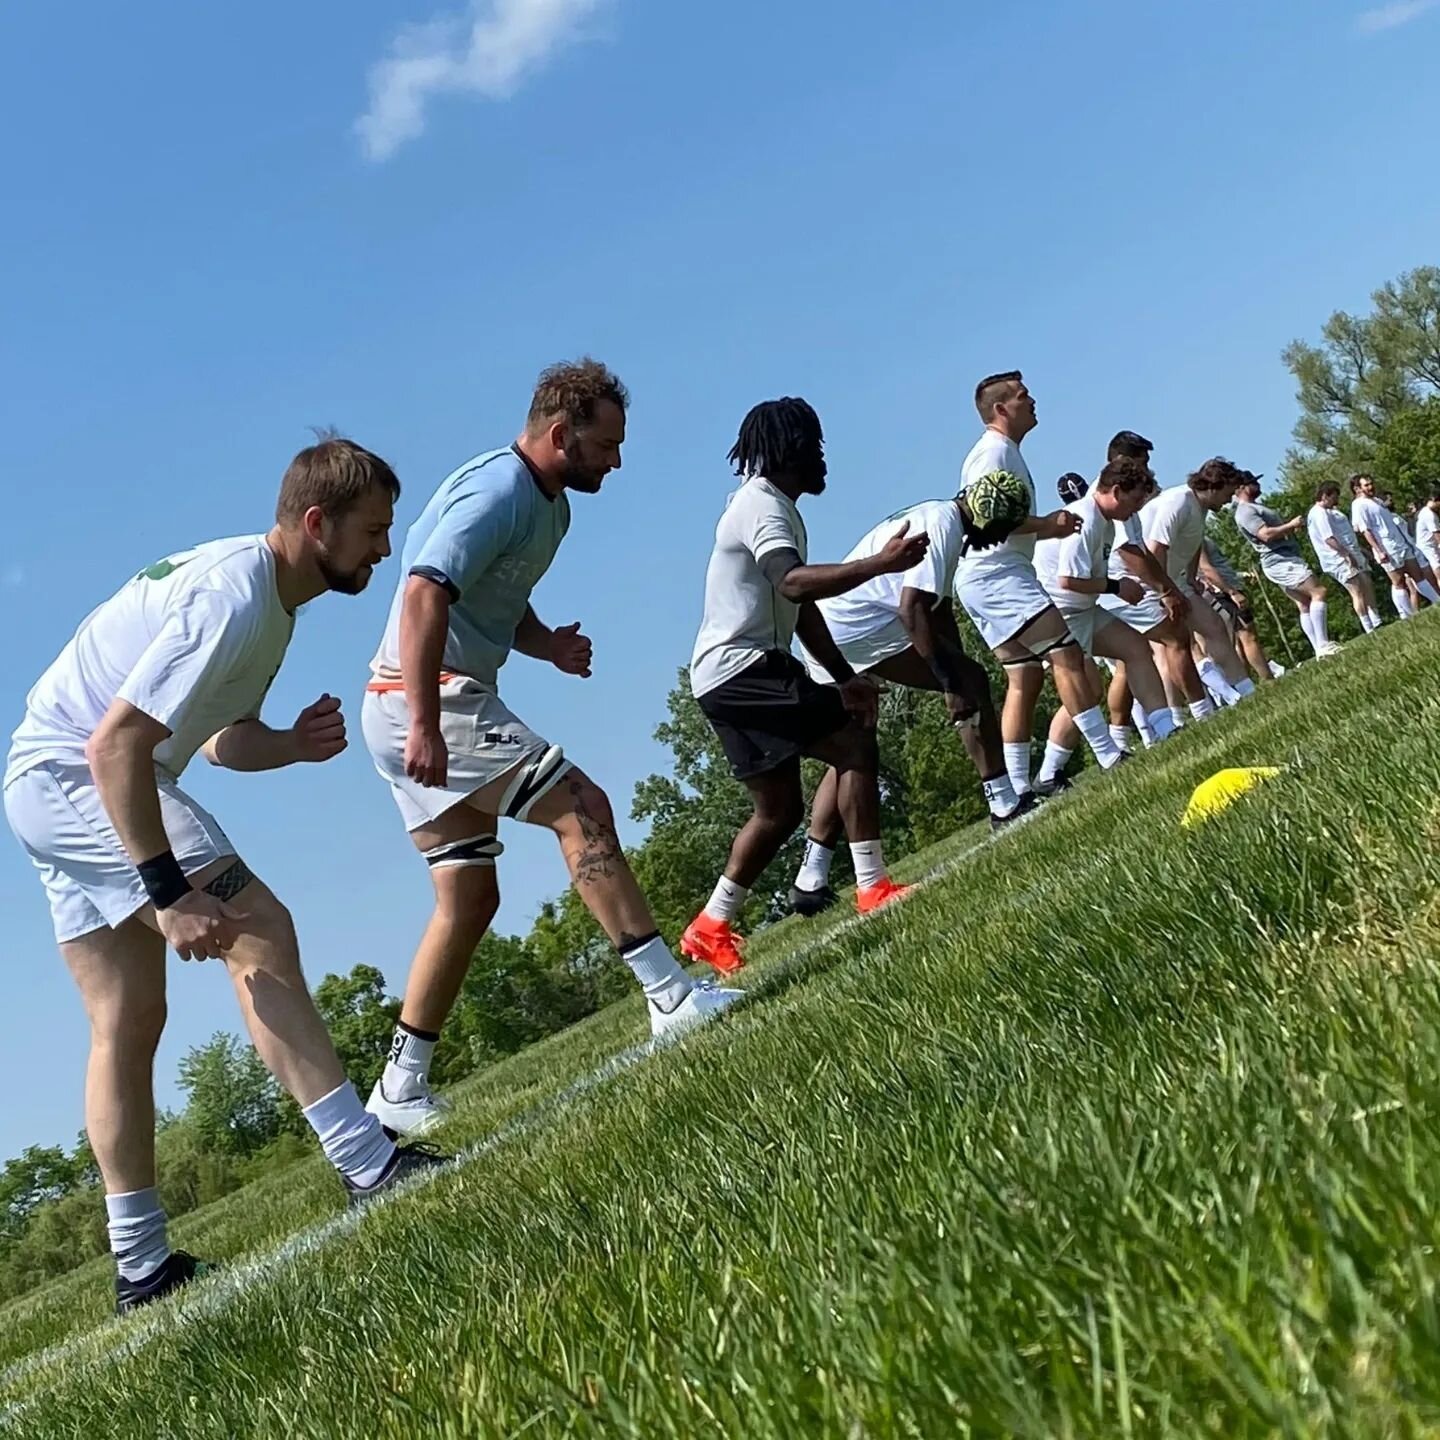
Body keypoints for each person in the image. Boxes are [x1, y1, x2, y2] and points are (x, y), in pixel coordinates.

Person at [3, 438, 445, 1314]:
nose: (384, 549)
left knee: (125, 1021)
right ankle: (368, 1162)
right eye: (373, 530)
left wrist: (289, 744)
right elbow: (117, 745)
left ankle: (141, 1266)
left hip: (42, 788)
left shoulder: (271, 606)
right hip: (80, 776)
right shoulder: (235, 593)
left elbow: (215, 738)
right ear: (316, 523)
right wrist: (168, 892)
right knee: (261, 931)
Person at [360, 360, 743, 1138]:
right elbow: (425, 591)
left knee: (469, 897)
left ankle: (401, 1083)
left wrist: (547, 645)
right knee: (584, 809)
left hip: (407, 700)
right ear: (562, 434)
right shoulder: (499, 489)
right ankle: (670, 998)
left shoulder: (549, 507)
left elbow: (491, 593)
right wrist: (429, 718)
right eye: (605, 445)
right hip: (425, 696)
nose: (617, 460)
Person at [683, 398, 928, 965]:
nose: (823, 459)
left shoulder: (770, 507)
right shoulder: (764, 509)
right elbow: (793, 584)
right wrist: (880, 566)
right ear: (791, 452)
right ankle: (874, 887)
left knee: (779, 811)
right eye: (815, 448)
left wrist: (845, 677)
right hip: (744, 666)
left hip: (723, 676)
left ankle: (710, 924)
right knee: (853, 742)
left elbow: (803, 606)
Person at [787, 473, 1036, 915]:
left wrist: (952, 667)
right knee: (972, 682)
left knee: (851, 748)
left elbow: (936, 612)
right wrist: (951, 682)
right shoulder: (945, 527)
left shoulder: (939, 515)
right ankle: (1002, 801)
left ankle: (811, 875)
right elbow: (912, 608)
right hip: (852, 633)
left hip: (829, 630)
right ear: (991, 521)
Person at [952, 372, 1127, 801]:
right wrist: (1048, 524)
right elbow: (982, 517)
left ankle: (1017, 787)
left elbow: (1000, 521)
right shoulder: (993, 453)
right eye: (1022, 396)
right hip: (996, 574)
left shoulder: (1004, 451)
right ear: (1000, 409)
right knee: (1067, 654)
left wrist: (1048, 529)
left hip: (985, 576)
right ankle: (1108, 755)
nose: (1032, 401)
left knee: (1024, 677)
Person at [1032, 456, 1180, 751]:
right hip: (1062, 613)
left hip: (1082, 607)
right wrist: (1117, 587)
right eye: (1135, 499)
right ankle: (1052, 771)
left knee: (1135, 649)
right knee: (1084, 693)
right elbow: (1067, 581)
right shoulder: (1084, 520)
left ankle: (1166, 729)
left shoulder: (1107, 520)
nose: (1137, 508)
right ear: (1115, 491)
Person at [1142, 458, 1258, 697]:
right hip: (1148, 583)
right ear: (1214, 486)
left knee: (1214, 626)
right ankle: (1205, 705)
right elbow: (1155, 550)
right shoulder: (1179, 502)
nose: (1229, 500)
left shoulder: (1201, 507)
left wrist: (1193, 577)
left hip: (1174, 579)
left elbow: (1193, 543)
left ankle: (1247, 691)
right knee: (1178, 644)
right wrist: (1164, 591)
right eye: (1227, 493)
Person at [1231, 475, 1341, 658]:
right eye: (1253, 482)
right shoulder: (1245, 511)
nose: (1257, 485)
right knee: (1318, 591)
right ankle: (1323, 645)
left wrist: (1288, 529)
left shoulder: (1252, 508)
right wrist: (1291, 524)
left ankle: (1319, 649)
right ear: (1242, 487)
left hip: (1282, 558)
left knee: (1304, 603)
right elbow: (1265, 534)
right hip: (1280, 559)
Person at [1350, 473, 1440, 617]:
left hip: (1400, 543)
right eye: (1366, 485)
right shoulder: (1359, 505)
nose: (1371, 487)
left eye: (1371, 483)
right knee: (1398, 582)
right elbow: (1365, 530)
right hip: (1387, 546)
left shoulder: (1377, 501)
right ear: (1358, 489)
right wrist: (1379, 550)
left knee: (1418, 575)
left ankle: (1437, 601)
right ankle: (1406, 615)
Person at [1307, 481, 1382, 634]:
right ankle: (1368, 626)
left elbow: (1343, 535)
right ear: (1325, 496)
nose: (1337, 500)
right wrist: (1347, 555)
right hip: (1337, 559)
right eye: (1334, 497)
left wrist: (1359, 550)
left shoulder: (1328, 512)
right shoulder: (1319, 514)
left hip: (1349, 552)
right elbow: (1329, 539)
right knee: (1356, 590)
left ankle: (1376, 620)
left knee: (1366, 583)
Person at [1415, 486, 1440, 582]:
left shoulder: (1428, 511)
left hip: (1432, 545)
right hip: (1427, 547)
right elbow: (1437, 535)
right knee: (1438, 568)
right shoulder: (1430, 515)